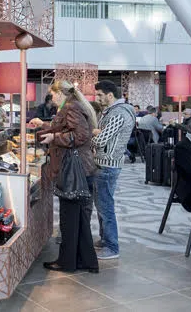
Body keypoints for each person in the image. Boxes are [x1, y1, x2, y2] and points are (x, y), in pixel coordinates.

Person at [31, 81, 98, 273]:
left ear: (60, 93)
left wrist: (54, 138)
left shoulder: (71, 107)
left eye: (53, 95)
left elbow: (81, 135)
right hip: (81, 168)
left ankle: (67, 262)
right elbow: (66, 128)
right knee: (79, 220)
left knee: (70, 219)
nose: (52, 99)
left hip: (74, 169)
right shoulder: (74, 105)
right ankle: (85, 260)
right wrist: (46, 126)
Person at [92, 80, 136, 260]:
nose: (97, 98)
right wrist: (98, 132)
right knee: (102, 205)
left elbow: (100, 140)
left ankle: (112, 246)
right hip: (105, 163)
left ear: (110, 95)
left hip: (108, 165)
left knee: (106, 207)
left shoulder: (119, 113)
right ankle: (105, 240)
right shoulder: (114, 111)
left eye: (100, 95)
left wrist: (93, 134)